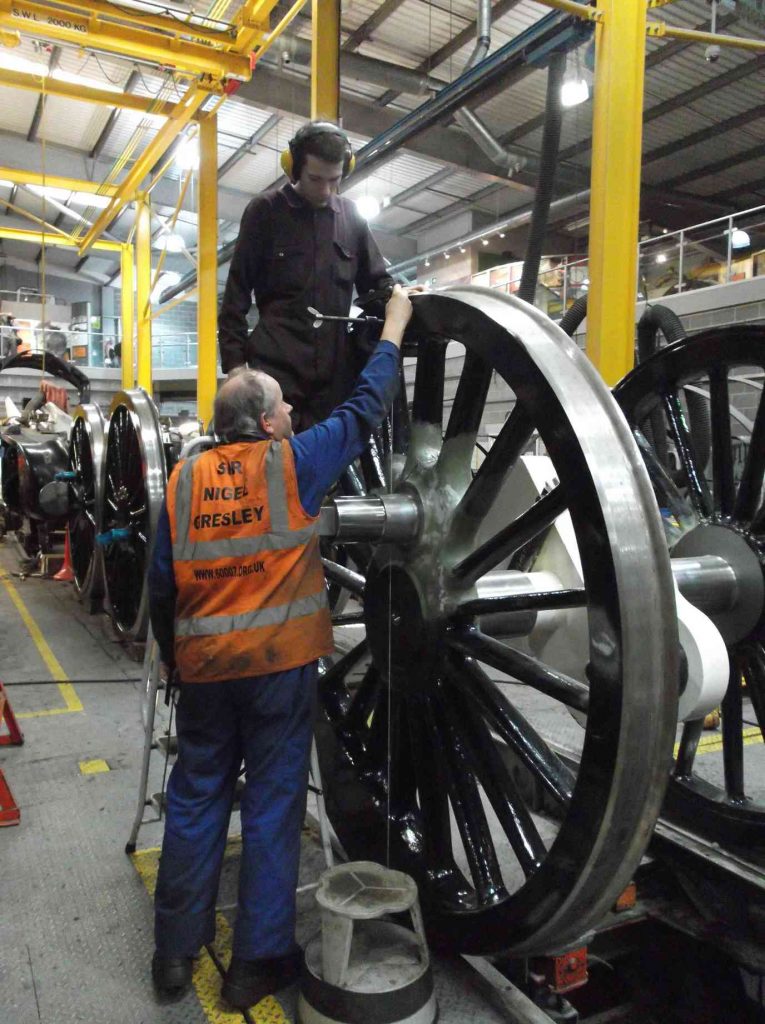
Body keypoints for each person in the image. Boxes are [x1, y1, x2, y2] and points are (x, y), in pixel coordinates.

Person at [148, 284, 414, 1008]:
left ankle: (173, 955)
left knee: (196, 801)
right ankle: (254, 965)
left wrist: (179, 662)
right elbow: (364, 410)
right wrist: (392, 327)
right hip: (276, 675)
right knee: (269, 809)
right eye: (286, 410)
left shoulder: (181, 481)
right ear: (266, 421)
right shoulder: (289, 464)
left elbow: (161, 589)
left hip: (204, 675)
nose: (294, 415)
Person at [217, 120, 394, 432]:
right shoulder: (265, 212)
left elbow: (377, 284)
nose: (325, 190)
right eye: (315, 179)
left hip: (334, 383)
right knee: (273, 470)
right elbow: (236, 295)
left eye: (334, 180)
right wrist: (235, 367)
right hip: (275, 377)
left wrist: (403, 295)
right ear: (294, 168)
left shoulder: (351, 218)